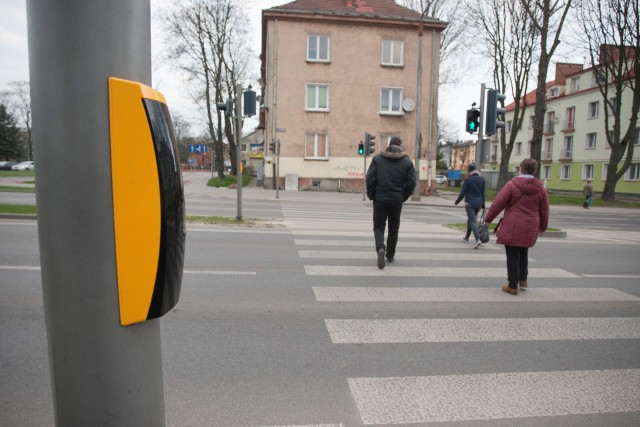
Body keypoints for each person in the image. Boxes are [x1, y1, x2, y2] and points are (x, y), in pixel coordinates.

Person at [484, 158, 549, 296]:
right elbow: (544, 209)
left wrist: (488, 220)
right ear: (535, 170)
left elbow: (498, 203)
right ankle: (523, 279)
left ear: (521, 168)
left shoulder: (512, 185)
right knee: (524, 251)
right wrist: (543, 226)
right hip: (531, 224)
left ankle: (512, 286)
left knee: (512, 254)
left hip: (513, 224)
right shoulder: (540, 188)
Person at [366, 136, 416, 269]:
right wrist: (402, 197)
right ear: (400, 145)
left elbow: (370, 178)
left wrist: (372, 195)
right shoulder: (407, 162)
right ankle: (390, 254)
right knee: (394, 228)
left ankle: (380, 248)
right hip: (396, 200)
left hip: (380, 199)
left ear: (389, 145)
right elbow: (411, 183)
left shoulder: (377, 159)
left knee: (378, 226)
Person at [454, 163, 486, 249]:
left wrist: (457, 201)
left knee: (472, 221)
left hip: (470, 203)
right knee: (471, 220)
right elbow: (483, 193)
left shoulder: (468, 179)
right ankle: (466, 237)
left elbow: (463, 192)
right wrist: (483, 205)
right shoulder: (482, 179)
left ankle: (477, 239)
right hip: (478, 203)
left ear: (469, 170)